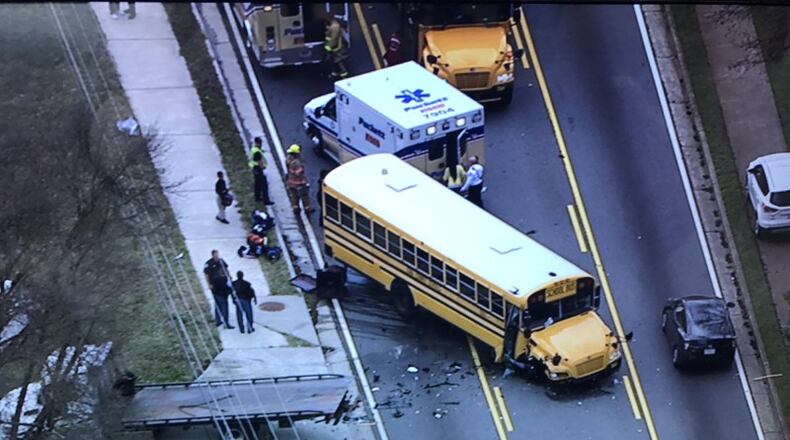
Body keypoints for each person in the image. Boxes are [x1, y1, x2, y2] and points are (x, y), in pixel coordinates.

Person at [203, 250, 235, 330]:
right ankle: (221, 321)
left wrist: (229, 276)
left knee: (224, 303)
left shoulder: (221, 261)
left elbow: (226, 269)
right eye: (216, 256)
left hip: (224, 286)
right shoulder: (208, 263)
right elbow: (206, 274)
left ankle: (224, 321)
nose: (217, 257)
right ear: (212, 256)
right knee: (219, 303)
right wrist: (209, 284)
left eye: (218, 255)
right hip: (215, 287)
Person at [286, 144, 314, 215]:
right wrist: (304, 182)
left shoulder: (288, 160)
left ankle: (296, 208)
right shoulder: (296, 163)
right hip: (299, 183)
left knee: (294, 196)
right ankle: (307, 208)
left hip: (291, 182)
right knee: (305, 196)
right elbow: (299, 173)